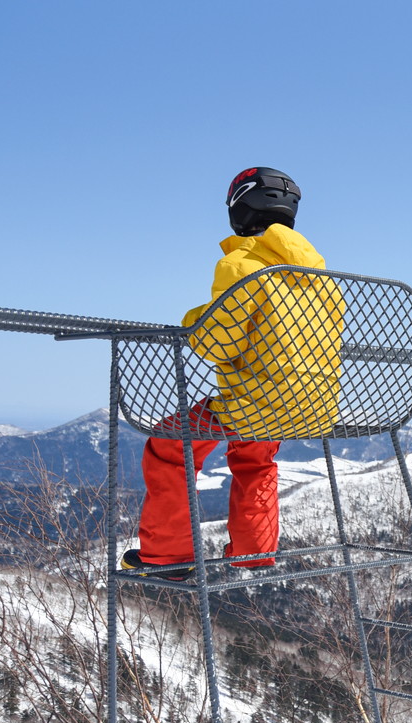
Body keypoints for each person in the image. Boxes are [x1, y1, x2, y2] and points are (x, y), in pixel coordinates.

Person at [121, 167, 344, 579]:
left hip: (251, 405)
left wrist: (195, 320)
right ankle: (253, 552)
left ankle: (169, 557)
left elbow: (216, 343)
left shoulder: (242, 264)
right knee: (256, 456)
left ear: (239, 209)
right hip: (312, 409)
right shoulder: (322, 279)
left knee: (169, 444)